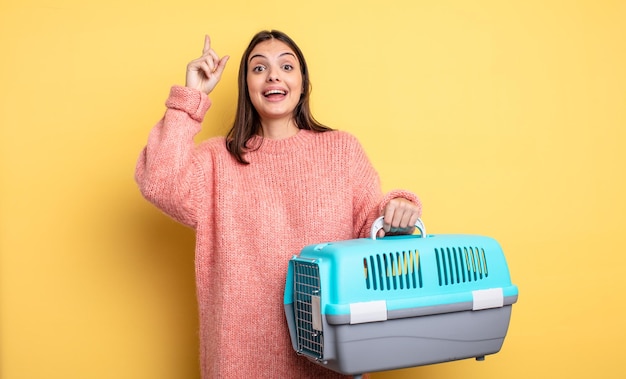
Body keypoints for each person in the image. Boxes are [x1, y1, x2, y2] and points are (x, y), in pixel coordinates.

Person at [135, 30, 422, 379]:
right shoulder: (217, 160)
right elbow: (159, 182)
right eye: (259, 68)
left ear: (302, 84)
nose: (273, 75)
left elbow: (373, 230)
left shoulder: (341, 151)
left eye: (286, 66)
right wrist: (191, 97)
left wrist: (398, 210)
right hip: (238, 361)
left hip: (328, 358)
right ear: (247, 87)